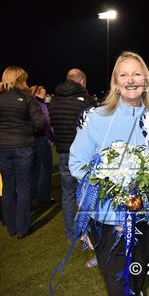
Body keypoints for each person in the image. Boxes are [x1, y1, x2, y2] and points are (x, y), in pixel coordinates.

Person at [69, 51, 149, 296]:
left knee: (136, 279)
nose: (131, 80)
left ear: (145, 79)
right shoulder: (97, 117)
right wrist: (111, 183)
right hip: (109, 220)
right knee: (117, 285)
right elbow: (77, 163)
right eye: (124, 74)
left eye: (136, 73)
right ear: (116, 81)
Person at [49, 68, 96, 241]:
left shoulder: (54, 100)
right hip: (83, 154)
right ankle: (87, 232)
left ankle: (71, 233)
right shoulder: (86, 100)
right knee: (87, 193)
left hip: (63, 153)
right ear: (82, 81)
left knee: (67, 194)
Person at [0, 66, 46, 239]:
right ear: (20, 79)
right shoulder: (28, 98)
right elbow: (40, 123)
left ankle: (11, 227)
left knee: (8, 187)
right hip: (24, 147)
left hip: (3, 148)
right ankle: (22, 228)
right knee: (24, 187)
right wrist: (26, 130)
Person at [30, 85, 54, 203]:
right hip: (41, 138)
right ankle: (43, 195)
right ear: (39, 92)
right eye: (44, 91)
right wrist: (50, 138)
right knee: (46, 167)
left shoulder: (33, 102)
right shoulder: (40, 104)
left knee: (36, 167)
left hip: (33, 139)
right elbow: (45, 124)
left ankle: (35, 193)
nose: (46, 93)